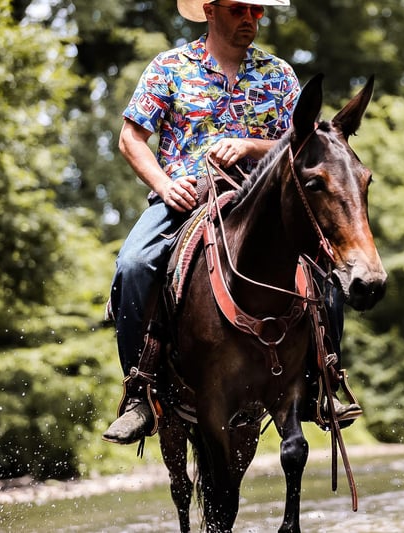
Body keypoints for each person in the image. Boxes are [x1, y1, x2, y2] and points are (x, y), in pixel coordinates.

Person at [103, 0, 360, 446]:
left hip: (263, 205)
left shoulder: (279, 74)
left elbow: (306, 144)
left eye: (257, 12)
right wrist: (165, 185)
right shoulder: (168, 67)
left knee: (326, 267)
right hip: (186, 197)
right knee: (133, 265)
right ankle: (139, 392)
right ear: (210, 10)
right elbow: (131, 138)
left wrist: (248, 146)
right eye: (239, 9)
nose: (249, 19)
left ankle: (324, 381)